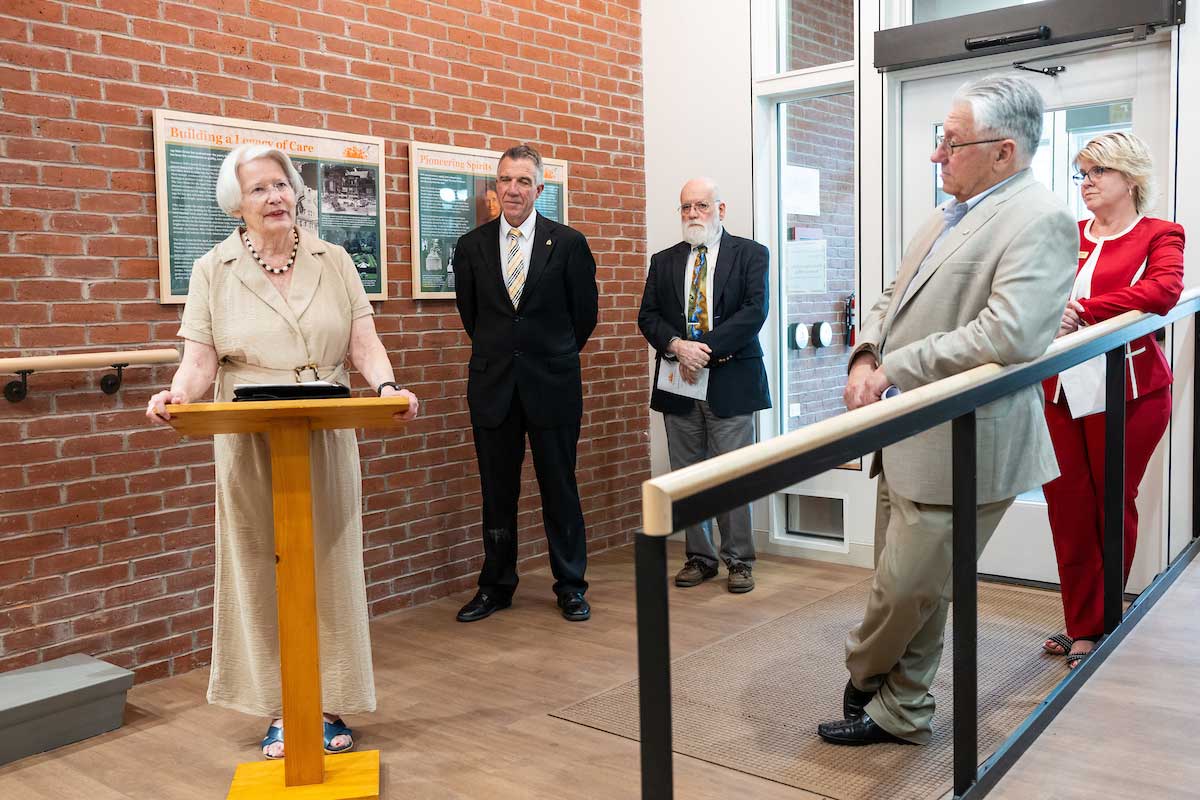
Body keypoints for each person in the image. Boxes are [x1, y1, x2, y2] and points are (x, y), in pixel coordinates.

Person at [817, 75, 1078, 746]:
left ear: (1004, 152)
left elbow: (1009, 334)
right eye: (941, 139)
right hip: (907, 435)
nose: (939, 155)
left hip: (968, 440)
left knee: (904, 591)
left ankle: (863, 677)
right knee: (918, 593)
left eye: (952, 142)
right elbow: (891, 293)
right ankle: (903, 711)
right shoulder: (947, 212)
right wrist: (866, 353)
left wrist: (893, 371)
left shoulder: (1040, 217)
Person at [146, 144, 419, 760]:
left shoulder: (336, 260)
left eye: (281, 185)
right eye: (258, 190)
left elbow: (363, 343)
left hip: (324, 429)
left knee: (329, 564)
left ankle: (329, 701)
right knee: (259, 565)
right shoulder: (212, 269)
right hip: (250, 438)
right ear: (234, 204)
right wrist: (178, 395)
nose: (274, 198)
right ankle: (280, 706)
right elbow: (199, 359)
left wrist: (386, 386)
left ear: (297, 192)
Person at [1040, 132, 1184, 669]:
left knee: (1109, 504)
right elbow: (1034, 291)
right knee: (1067, 506)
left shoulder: (1159, 233)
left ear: (1130, 178)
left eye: (1098, 172)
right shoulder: (1066, 234)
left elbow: (1163, 291)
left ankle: (1103, 624)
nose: (1086, 183)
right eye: (1082, 173)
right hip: (1059, 390)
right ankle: (1082, 621)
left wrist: (1085, 309)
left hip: (1130, 392)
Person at [452, 144, 599, 623]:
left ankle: (571, 586)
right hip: (494, 387)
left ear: (540, 187)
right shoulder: (471, 246)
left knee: (560, 488)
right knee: (497, 493)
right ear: (496, 187)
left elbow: (584, 317)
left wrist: (547, 354)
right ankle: (496, 585)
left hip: (552, 385)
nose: (513, 190)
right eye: (505, 180)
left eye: (523, 181)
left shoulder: (569, 243)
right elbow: (473, 318)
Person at [637, 178, 771, 593]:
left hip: (730, 378)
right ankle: (699, 557)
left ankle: (739, 561)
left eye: (701, 206)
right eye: (685, 208)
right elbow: (649, 316)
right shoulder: (664, 261)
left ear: (721, 209)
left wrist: (702, 350)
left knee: (731, 474)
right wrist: (677, 346)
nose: (693, 214)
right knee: (687, 474)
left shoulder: (750, 254)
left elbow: (753, 312)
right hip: (679, 381)